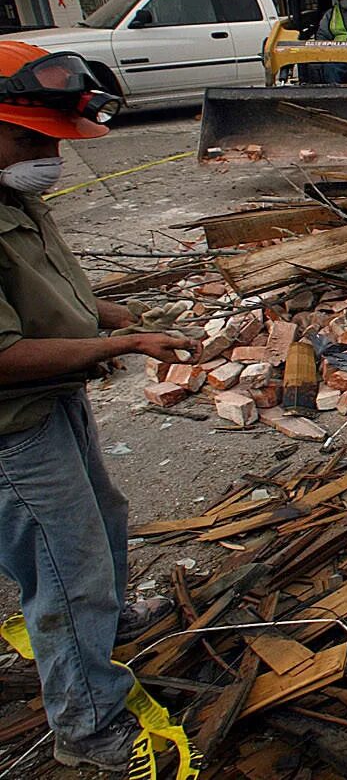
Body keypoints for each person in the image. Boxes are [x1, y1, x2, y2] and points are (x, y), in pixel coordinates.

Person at [0, 42, 194, 772]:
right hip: (13, 426)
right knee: (65, 563)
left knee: (101, 520)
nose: (45, 154)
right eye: (28, 137)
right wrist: (126, 343)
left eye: (51, 139)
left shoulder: (13, 197)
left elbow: (57, 298)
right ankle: (85, 724)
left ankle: (107, 624)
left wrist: (118, 319)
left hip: (53, 400)